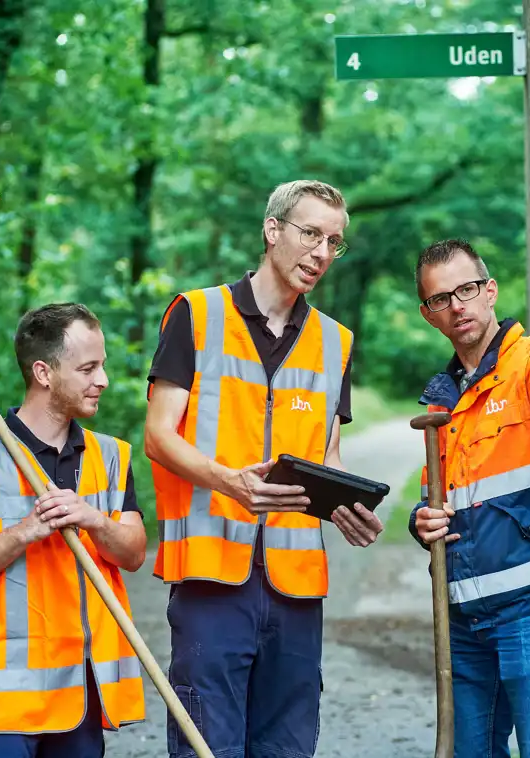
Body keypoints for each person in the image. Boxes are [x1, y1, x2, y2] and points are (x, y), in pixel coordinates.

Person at [144, 179, 384, 758]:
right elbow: (158, 436)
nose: (322, 253)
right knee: (208, 743)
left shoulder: (335, 342)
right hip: (211, 580)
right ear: (272, 230)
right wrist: (228, 481)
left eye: (334, 242)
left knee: (287, 747)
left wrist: (348, 505)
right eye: (311, 234)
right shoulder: (197, 314)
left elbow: (327, 457)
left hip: (295, 588)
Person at [407, 239, 530, 758]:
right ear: (429, 314)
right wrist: (422, 520)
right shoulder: (441, 402)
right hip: (463, 616)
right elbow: (443, 498)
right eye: (441, 299)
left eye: (467, 290)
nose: (457, 306)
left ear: (490, 291)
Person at [0, 303, 147, 758]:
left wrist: (92, 518)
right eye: (88, 368)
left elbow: (133, 554)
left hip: (80, 695)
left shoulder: (111, 457)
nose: (103, 380)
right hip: (2, 706)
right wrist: (25, 531)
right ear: (44, 373)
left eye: (102, 365)